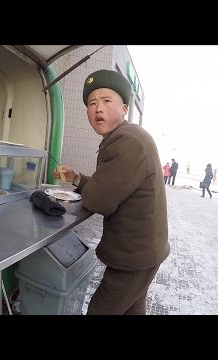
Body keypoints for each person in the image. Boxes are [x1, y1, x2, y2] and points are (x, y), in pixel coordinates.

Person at [53, 69, 170, 315]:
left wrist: (89, 187)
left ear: (125, 108)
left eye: (107, 101)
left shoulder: (127, 141)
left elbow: (99, 200)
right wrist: (77, 178)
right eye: (92, 103)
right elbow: (110, 187)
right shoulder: (125, 136)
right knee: (132, 310)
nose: (98, 108)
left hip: (134, 257)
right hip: (143, 253)